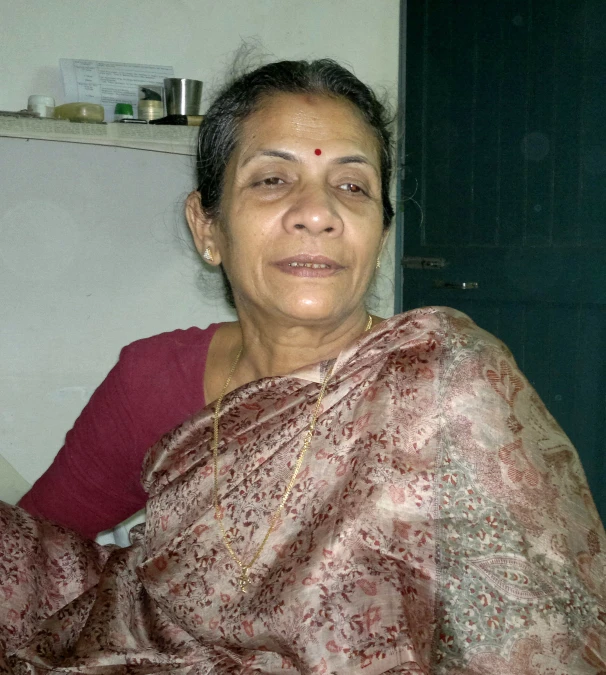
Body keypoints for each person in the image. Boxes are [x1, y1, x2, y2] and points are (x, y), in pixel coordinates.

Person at [1, 59, 605, 674]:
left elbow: (540, 638)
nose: (317, 212)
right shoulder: (151, 377)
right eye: (271, 180)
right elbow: (31, 557)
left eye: (351, 186)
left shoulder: (448, 388)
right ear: (206, 226)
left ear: (380, 233)